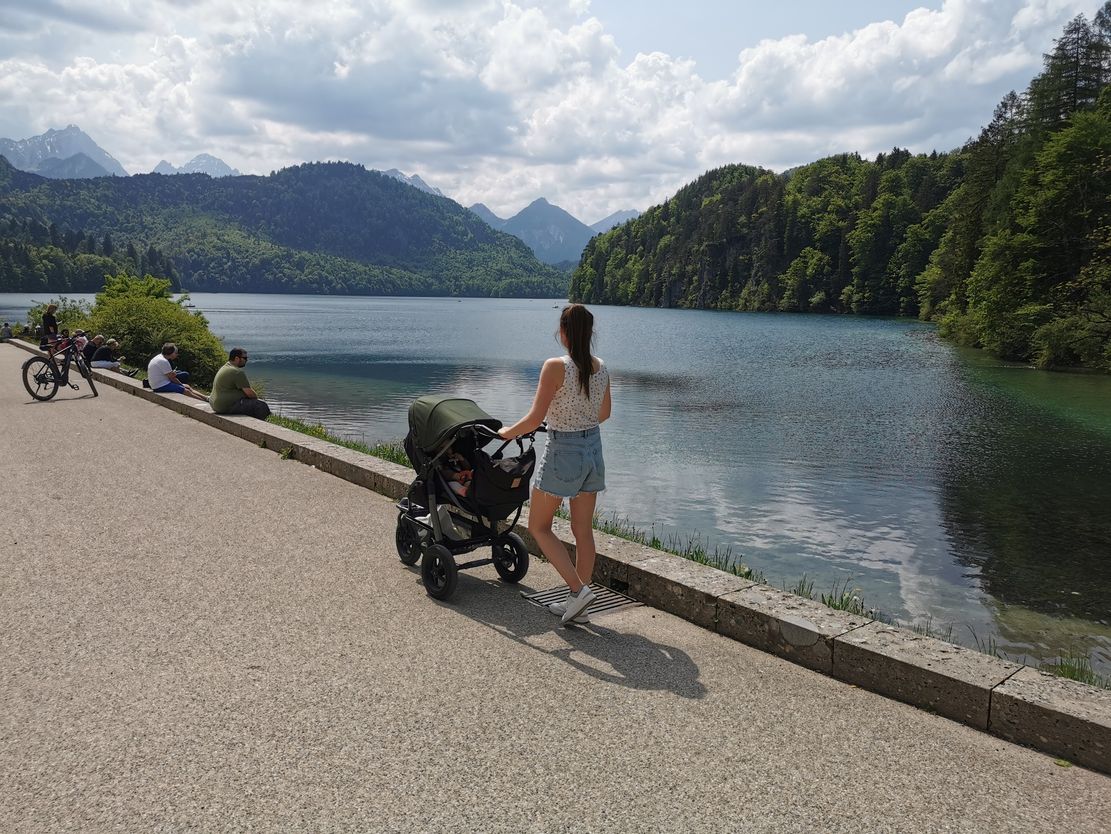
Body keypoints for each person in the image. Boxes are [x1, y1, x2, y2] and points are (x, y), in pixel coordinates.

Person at [498, 303, 612, 625]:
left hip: (565, 452)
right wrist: (579, 415)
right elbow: (604, 414)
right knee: (582, 530)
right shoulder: (600, 367)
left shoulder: (555, 366)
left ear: (563, 333)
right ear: (589, 334)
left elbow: (535, 419)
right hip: (593, 449)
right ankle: (580, 606)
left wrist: (507, 433)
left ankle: (578, 591)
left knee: (538, 527)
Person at [209, 347, 271, 419]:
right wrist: (256, 399)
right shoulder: (237, 372)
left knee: (250, 404)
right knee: (261, 405)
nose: (246, 360)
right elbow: (250, 393)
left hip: (216, 405)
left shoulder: (225, 367)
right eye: (244, 358)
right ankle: (261, 426)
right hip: (225, 406)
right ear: (237, 358)